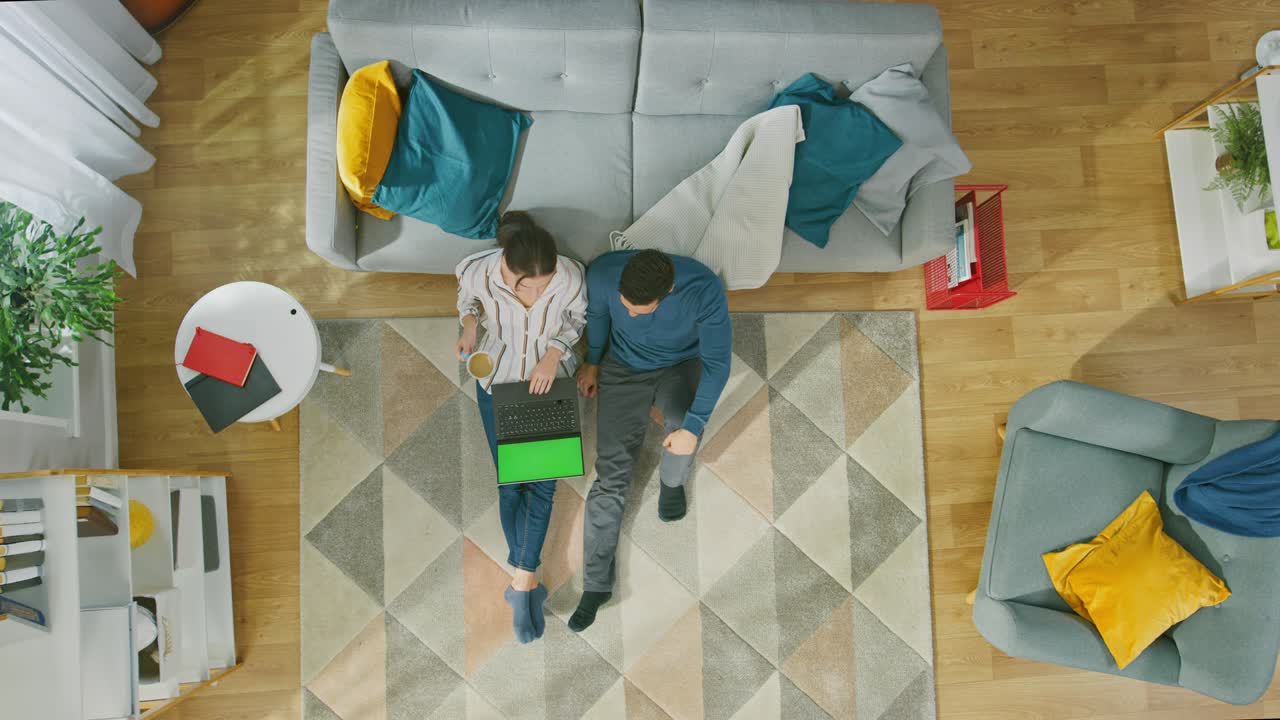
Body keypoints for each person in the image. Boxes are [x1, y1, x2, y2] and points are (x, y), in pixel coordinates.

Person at [569, 249, 732, 632]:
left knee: (682, 427)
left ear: (668, 290)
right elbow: (599, 316)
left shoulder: (704, 289)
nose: (629, 315)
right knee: (610, 475)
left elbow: (718, 364)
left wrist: (693, 426)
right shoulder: (604, 272)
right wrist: (593, 360)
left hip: (681, 366)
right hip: (623, 368)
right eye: (625, 305)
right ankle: (596, 583)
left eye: (640, 310)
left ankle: (672, 482)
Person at [454, 211, 587, 643]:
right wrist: (469, 325)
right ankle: (524, 580)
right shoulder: (479, 272)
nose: (534, 294)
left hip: (549, 383)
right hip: (498, 381)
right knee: (511, 483)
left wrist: (553, 354)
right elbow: (467, 300)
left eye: (542, 286)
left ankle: (523, 580)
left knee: (542, 486)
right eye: (523, 285)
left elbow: (576, 318)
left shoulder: (569, 277)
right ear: (505, 265)